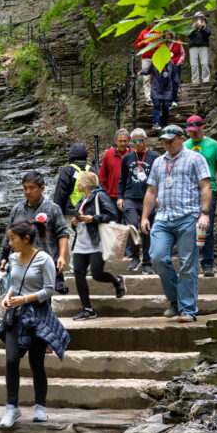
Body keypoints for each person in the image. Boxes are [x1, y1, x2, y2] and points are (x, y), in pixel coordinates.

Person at [0, 219, 70, 428]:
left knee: (36, 363)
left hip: (38, 317)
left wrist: (25, 299)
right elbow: (14, 285)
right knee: (11, 360)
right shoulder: (12, 258)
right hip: (15, 314)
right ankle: (12, 407)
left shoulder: (44, 259)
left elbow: (49, 290)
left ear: (26, 238)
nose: (10, 243)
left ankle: (40, 406)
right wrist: (7, 296)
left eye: (13, 239)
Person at [140, 125, 212, 323]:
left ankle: (188, 309)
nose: (167, 144)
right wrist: (145, 216)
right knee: (157, 257)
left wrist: (204, 213)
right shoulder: (158, 162)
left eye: (171, 140)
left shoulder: (196, 159)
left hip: (188, 217)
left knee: (188, 264)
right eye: (165, 140)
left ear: (182, 138)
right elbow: (151, 191)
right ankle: (174, 300)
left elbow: (206, 187)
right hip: (163, 218)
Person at [0, 171, 69, 294]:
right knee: (12, 304)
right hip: (17, 265)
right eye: (25, 188)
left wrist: (62, 256)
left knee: (41, 305)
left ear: (42, 188)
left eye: (32, 188)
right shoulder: (17, 209)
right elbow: (8, 234)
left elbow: (62, 234)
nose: (28, 192)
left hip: (42, 265)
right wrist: (4, 257)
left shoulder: (53, 209)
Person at [69, 171, 126, 320]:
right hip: (80, 243)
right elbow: (78, 224)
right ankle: (87, 308)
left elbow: (112, 215)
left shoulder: (100, 196)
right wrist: (74, 223)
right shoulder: (81, 201)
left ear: (86, 183)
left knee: (96, 273)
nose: (78, 184)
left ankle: (117, 280)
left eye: (80, 181)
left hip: (97, 242)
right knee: (79, 274)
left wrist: (94, 218)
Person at [184, 115, 217, 277]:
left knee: (207, 228)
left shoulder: (213, 144)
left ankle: (208, 264)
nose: (193, 134)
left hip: (208, 190)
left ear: (203, 127)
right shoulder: (184, 145)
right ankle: (191, 263)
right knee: (188, 228)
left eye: (196, 131)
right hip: (188, 192)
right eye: (190, 131)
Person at [53, 143, 98, 281]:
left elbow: (61, 193)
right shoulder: (92, 169)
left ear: (71, 156)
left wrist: (56, 210)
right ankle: (89, 268)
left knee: (72, 238)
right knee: (87, 237)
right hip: (88, 210)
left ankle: (74, 268)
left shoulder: (67, 170)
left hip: (70, 212)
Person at [118, 128, 160, 274]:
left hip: (148, 199)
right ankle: (135, 257)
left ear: (146, 139)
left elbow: (160, 179)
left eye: (139, 140)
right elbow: (122, 180)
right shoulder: (127, 158)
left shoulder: (154, 157)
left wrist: (159, 196)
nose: (137, 143)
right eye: (134, 141)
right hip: (130, 197)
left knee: (146, 230)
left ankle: (147, 262)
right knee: (131, 226)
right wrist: (119, 197)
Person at [139, 54, 180, 131]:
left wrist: (178, 86)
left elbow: (175, 76)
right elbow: (148, 70)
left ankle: (164, 124)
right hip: (156, 87)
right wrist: (141, 72)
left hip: (167, 89)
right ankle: (156, 123)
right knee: (157, 105)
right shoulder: (155, 62)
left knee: (165, 106)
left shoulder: (171, 63)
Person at [98, 129, 131, 222]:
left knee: (128, 226)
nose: (123, 143)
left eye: (125, 141)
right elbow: (102, 175)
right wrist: (104, 192)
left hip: (129, 197)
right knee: (112, 225)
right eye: (120, 141)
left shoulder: (133, 154)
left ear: (129, 141)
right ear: (115, 141)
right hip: (111, 196)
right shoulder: (108, 154)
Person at [135, 19, 161, 103]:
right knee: (146, 78)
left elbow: (163, 43)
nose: (150, 23)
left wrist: (155, 46)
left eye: (151, 21)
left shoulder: (158, 31)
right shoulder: (143, 32)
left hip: (157, 57)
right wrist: (144, 43)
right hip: (146, 58)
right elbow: (137, 45)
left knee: (158, 76)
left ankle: (158, 95)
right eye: (148, 22)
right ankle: (148, 97)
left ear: (154, 22)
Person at [164, 30, 185, 109]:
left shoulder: (178, 43)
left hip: (176, 64)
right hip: (166, 66)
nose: (167, 36)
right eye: (165, 35)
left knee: (174, 82)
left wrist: (179, 62)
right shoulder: (163, 44)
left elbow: (182, 53)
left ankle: (174, 100)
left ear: (171, 35)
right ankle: (168, 99)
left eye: (168, 34)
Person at [188, 12, 212, 84]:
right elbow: (189, 35)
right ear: (195, 18)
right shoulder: (192, 26)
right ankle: (195, 81)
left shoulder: (206, 26)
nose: (199, 18)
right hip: (193, 47)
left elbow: (208, 34)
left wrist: (201, 28)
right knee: (194, 64)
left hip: (203, 46)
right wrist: (195, 28)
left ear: (203, 17)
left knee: (204, 63)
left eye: (201, 17)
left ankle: (206, 79)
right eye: (197, 17)